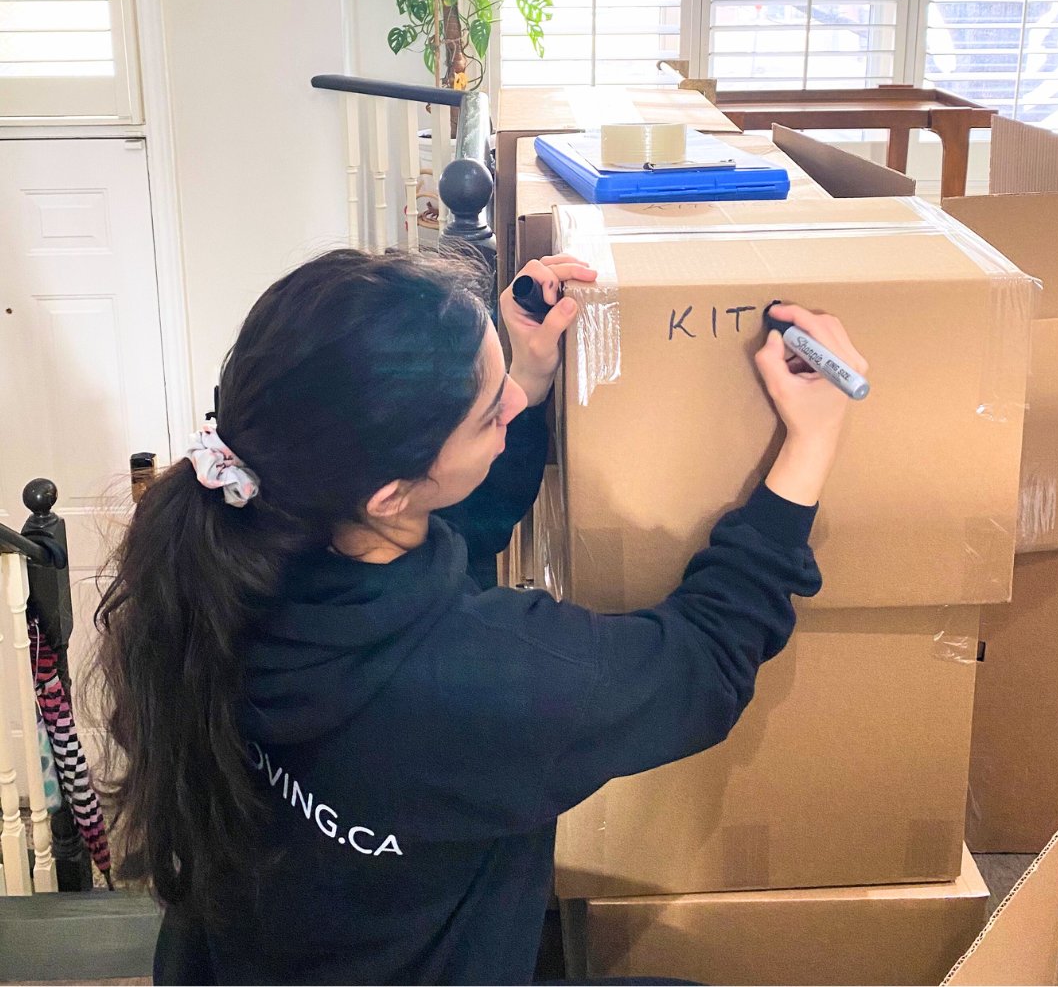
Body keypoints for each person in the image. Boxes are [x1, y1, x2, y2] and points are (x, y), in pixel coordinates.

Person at [93, 245, 866, 986]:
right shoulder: (483, 681)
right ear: (389, 495)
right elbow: (703, 667)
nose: (519, 404)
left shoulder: (244, 545)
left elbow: (435, 539)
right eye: (492, 409)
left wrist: (517, 368)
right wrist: (810, 446)